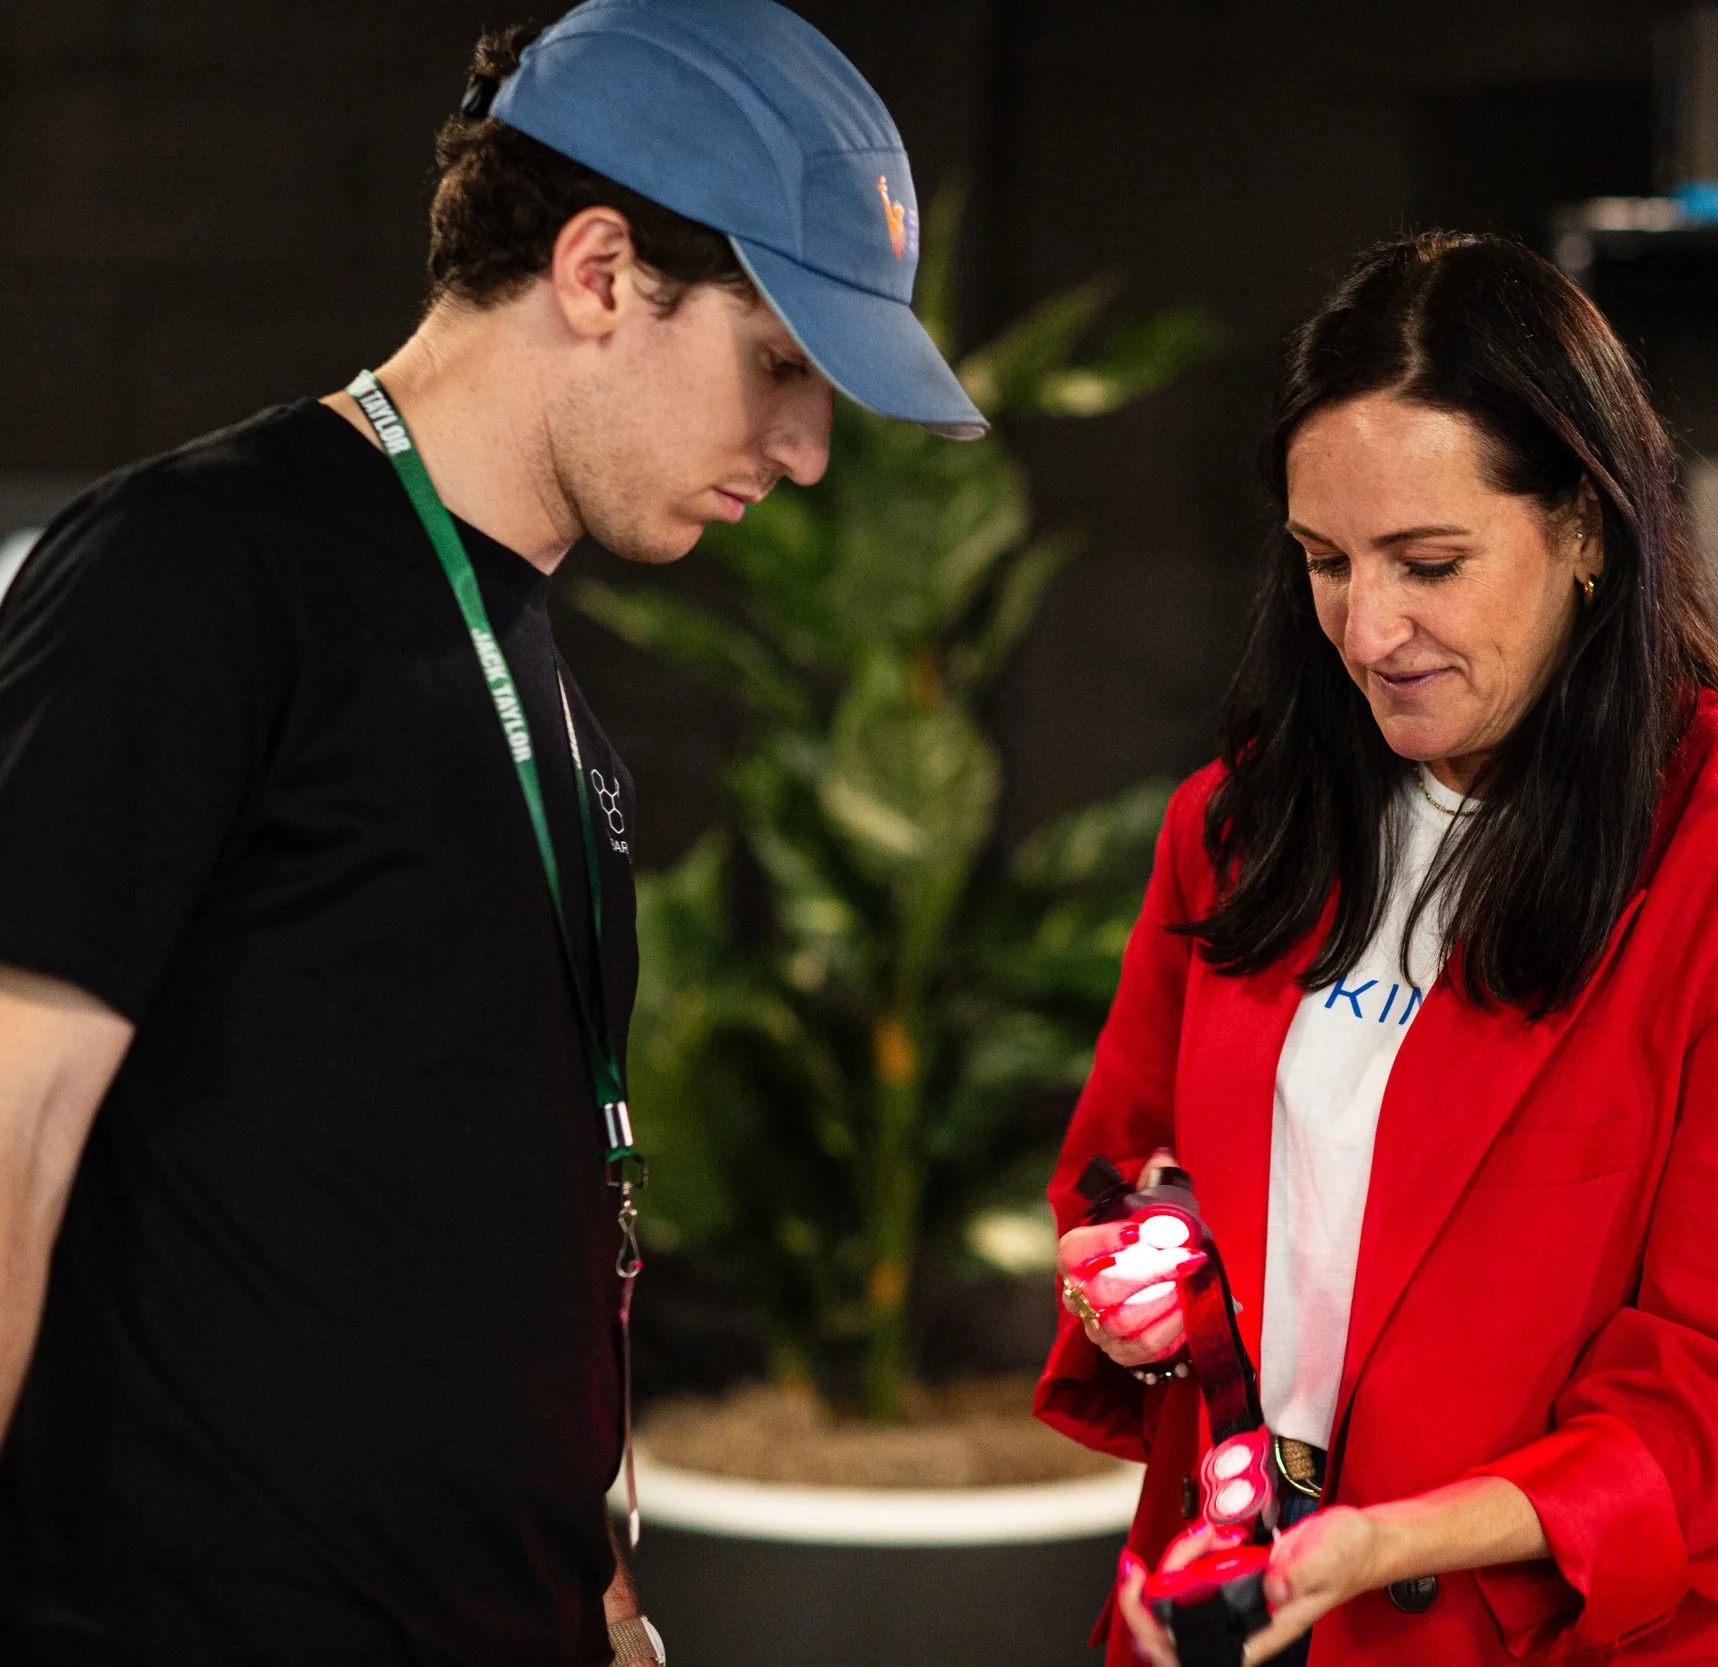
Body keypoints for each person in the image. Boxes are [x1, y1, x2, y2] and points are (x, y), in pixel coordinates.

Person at [0, 3, 983, 1661]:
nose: (808, 453)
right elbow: (12, 1118)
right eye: (779, 366)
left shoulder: (540, 689)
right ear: (598, 272)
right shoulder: (193, 568)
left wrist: (585, 1577)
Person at [1039, 231, 1718, 1667]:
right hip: (1233, 1606)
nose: (1367, 629)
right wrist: (1138, 1274)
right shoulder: (1241, 824)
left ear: (1588, 529)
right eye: (1325, 563)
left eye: (1430, 563)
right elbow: (1123, 1167)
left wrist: (1382, 1544)